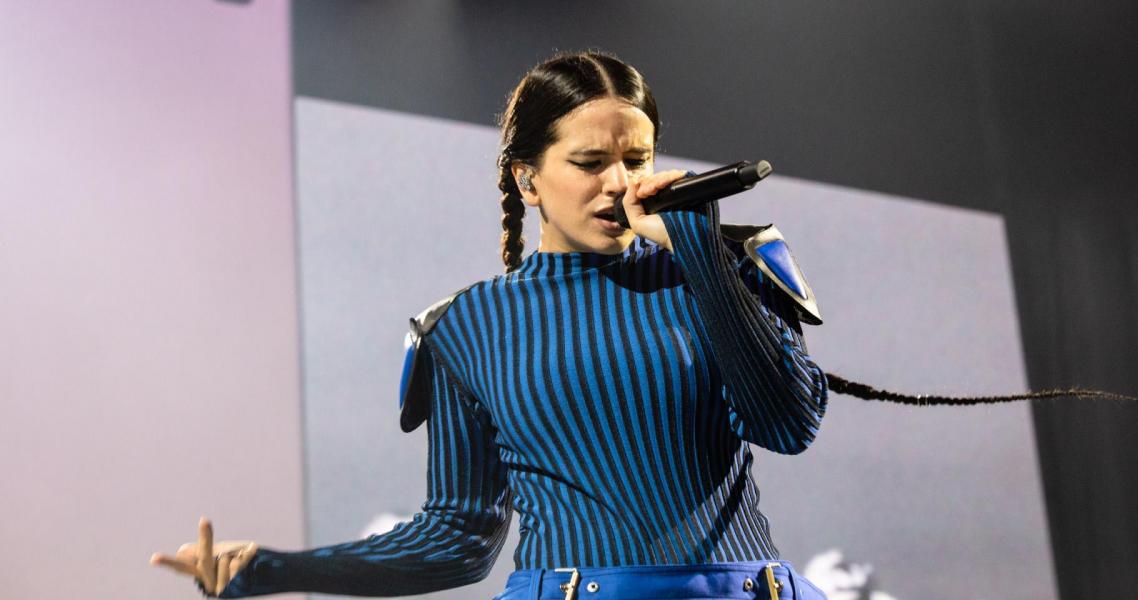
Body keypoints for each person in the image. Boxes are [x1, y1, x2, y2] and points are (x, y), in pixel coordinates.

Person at [150, 49, 831, 599]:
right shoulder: (463, 327)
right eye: (590, 164)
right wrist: (271, 570)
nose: (619, 184)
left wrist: (704, 256)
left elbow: (787, 426)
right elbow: (458, 538)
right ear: (527, 181)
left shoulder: (726, 269)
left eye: (636, 160)